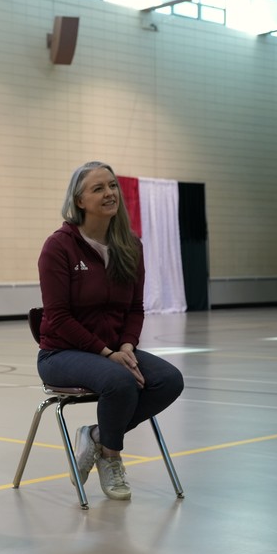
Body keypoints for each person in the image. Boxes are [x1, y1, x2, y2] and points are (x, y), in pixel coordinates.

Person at [36, 161, 184, 500]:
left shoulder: (130, 246)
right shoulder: (59, 246)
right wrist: (107, 353)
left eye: (113, 186)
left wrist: (128, 346)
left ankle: (98, 436)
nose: (109, 193)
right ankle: (113, 457)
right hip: (61, 352)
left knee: (168, 379)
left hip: (116, 350)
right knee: (119, 382)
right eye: (98, 188)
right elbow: (57, 317)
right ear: (79, 200)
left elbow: (134, 308)